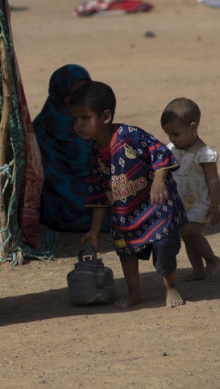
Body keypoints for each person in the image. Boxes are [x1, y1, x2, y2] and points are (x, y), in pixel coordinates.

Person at [70, 81, 188, 308]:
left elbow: (160, 152)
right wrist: (94, 231)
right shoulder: (94, 153)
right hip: (125, 215)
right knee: (125, 251)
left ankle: (170, 287)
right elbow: (98, 195)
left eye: (85, 118)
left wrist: (159, 181)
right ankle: (134, 293)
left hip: (157, 208)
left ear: (105, 116)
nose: (79, 125)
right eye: (75, 120)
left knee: (164, 247)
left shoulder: (130, 136)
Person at [161, 97, 220, 281]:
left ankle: (212, 259)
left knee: (191, 233)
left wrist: (214, 206)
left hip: (201, 202)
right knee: (187, 236)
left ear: (193, 127)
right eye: (169, 135)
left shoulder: (204, 153)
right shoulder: (172, 148)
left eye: (176, 134)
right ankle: (198, 270)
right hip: (182, 201)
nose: (172, 138)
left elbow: (213, 180)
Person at [33, 65, 96, 233]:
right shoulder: (43, 128)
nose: (79, 97)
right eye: (70, 94)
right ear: (58, 94)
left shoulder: (92, 120)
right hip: (59, 208)